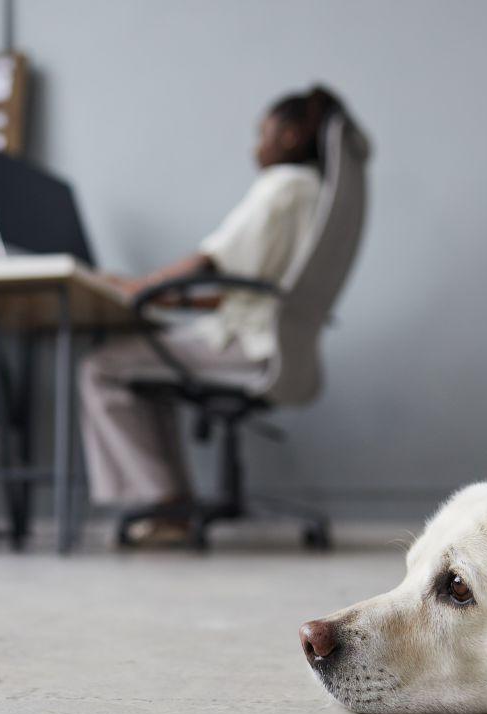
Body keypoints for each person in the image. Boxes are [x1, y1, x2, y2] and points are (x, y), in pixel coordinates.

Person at [81, 85, 342, 544]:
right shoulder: (313, 194)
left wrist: (141, 287)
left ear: (291, 135)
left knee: (100, 367)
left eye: (262, 133)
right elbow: (241, 287)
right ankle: (171, 505)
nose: (254, 145)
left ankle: (162, 503)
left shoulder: (284, 186)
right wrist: (165, 299)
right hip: (274, 341)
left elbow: (213, 262)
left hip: (249, 344)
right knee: (146, 372)